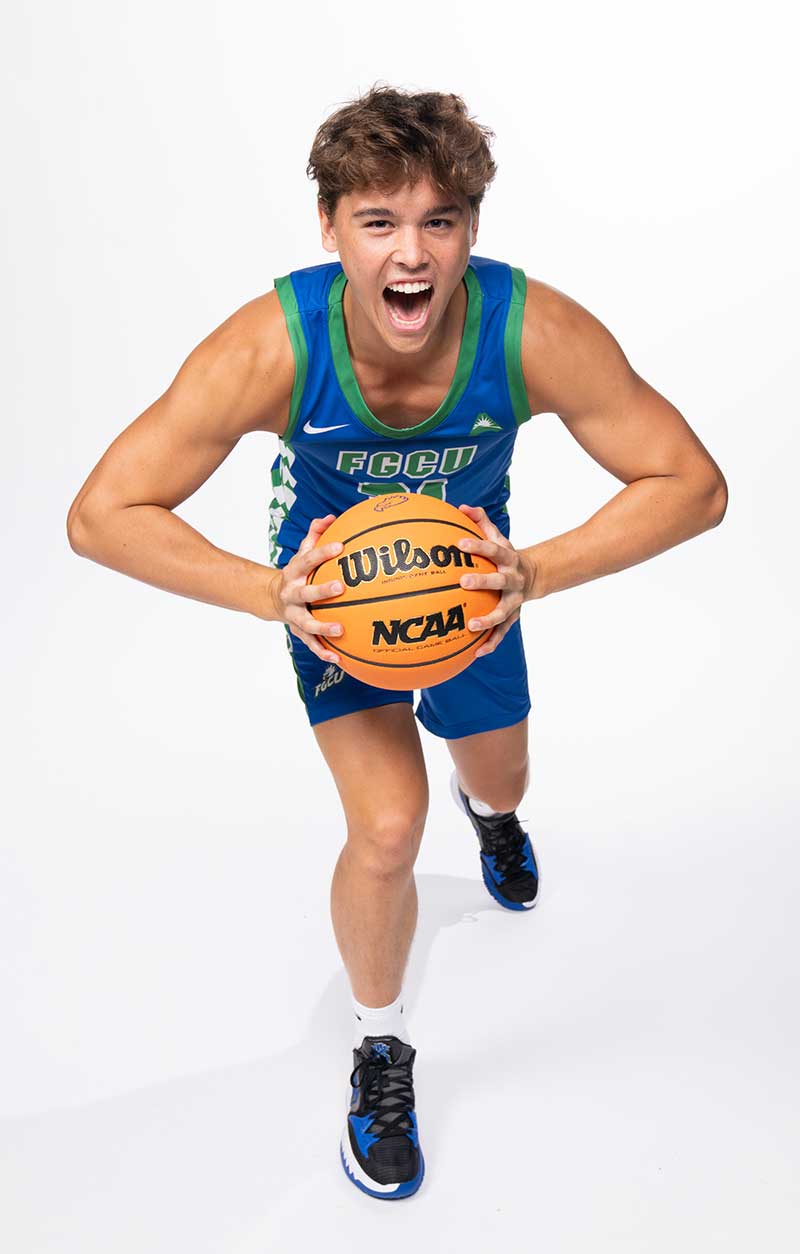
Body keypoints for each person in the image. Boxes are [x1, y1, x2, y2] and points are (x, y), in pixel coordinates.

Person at [66, 84, 728, 1200]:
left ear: (471, 229)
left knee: (499, 771)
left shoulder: (531, 331)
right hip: (335, 609)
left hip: (476, 596)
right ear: (328, 228)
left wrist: (532, 572)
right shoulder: (271, 345)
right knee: (384, 827)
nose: (409, 254)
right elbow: (100, 516)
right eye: (377, 222)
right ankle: (382, 1049)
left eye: (438, 222)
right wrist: (268, 592)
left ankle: (495, 816)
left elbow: (692, 485)